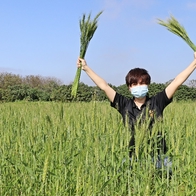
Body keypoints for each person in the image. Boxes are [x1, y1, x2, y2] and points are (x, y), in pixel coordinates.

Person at [76, 52, 196, 166]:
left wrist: (194, 62)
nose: (139, 87)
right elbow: (104, 86)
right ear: (129, 87)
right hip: (132, 157)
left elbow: (177, 82)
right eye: (134, 84)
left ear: (148, 85)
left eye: (142, 83)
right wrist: (86, 68)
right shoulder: (123, 104)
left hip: (158, 156)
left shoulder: (157, 101)